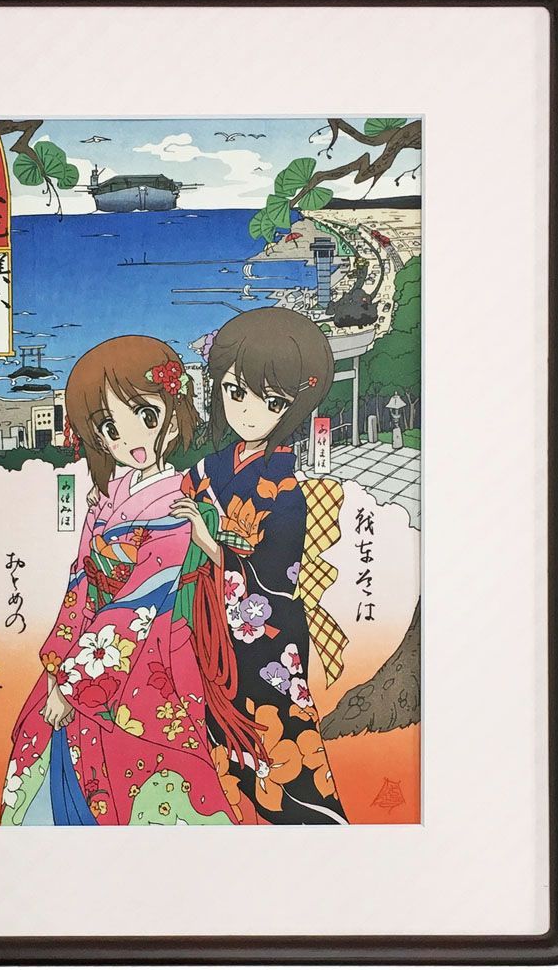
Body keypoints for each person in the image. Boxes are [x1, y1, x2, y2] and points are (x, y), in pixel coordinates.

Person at [0, 336, 239, 826]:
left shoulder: (176, 506)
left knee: (140, 775)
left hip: (149, 656)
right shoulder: (107, 497)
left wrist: (73, 685)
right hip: (91, 649)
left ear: (174, 412)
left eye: (146, 415)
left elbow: (136, 605)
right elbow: (82, 584)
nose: (129, 438)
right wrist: (58, 670)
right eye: (110, 427)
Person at [170, 308, 350, 824]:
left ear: (295, 404)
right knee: (216, 737)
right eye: (235, 392)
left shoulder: (287, 487)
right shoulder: (208, 468)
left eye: (271, 402)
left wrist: (210, 542)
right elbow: (181, 501)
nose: (248, 412)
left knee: (278, 733)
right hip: (210, 624)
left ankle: (306, 816)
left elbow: (276, 574)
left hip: (264, 633)